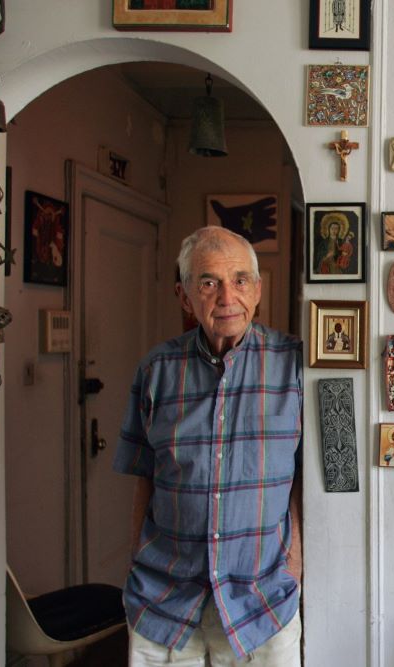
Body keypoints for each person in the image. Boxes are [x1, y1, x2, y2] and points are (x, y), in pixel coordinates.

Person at [114, 226, 303, 665]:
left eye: (240, 280)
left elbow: (306, 477)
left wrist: (296, 563)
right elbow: (145, 478)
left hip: (262, 599)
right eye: (208, 282)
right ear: (184, 297)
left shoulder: (294, 366)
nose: (226, 296)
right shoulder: (156, 370)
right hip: (165, 599)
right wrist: (133, 562)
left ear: (257, 290)